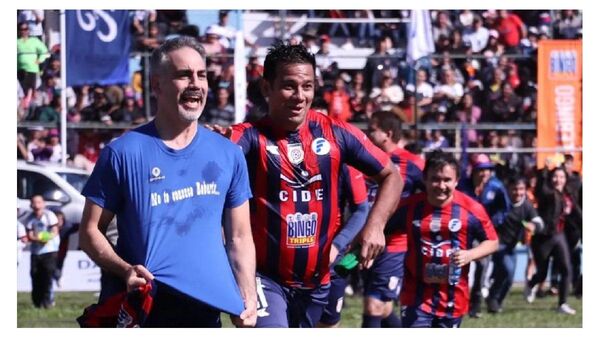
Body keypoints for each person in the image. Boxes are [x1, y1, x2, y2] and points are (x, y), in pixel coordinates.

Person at [217, 41, 402, 327]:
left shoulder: (335, 133)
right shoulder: (249, 137)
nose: (299, 96)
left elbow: (391, 175)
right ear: (267, 88)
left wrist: (375, 226)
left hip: (317, 282)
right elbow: (207, 162)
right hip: (264, 277)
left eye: (307, 86)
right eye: (289, 86)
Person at [78, 36, 257, 328]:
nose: (195, 84)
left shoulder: (228, 154)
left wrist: (246, 294)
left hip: (204, 311)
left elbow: (239, 238)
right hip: (143, 308)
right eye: (183, 75)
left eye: (201, 75)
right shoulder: (122, 152)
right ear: (157, 85)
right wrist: (124, 271)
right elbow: (89, 233)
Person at [393, 150, 498, 328]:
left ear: (456, 181)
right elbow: (380, 229)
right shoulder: (408, 207)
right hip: (415, 295)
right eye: (435, 179)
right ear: (425, 179)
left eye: (447, 180)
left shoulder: (472, 209)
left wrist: (470, 254)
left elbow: (492, 242)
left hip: (453, 298)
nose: (441, 185)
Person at [361, 110, 424, 328]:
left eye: (372, 129)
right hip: (366, 240)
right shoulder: (365, 158)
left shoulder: (412, 163)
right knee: (384, 307)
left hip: (395, 244)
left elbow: (429, 198)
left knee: (374, 305)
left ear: (387, 133)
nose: (367, 133)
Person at [458, 153, 510, 318]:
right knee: (458, 264)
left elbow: (505, 207)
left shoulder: (496, 186)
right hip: (463, 230)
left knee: (482, 265)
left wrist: (495, 220)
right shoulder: (462, 186)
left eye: (487, 170)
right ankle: (456, 301)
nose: (484, 173)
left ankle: (475, 303)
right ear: (472, 171)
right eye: (481, 170)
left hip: (484, 232)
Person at [524, 161, 580, 315]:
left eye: (561, 177)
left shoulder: (568, 195)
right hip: (543, 237)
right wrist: (544, 172)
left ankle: (562, 304)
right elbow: (540, 188)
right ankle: (531, 284)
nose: (558, 180)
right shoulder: (547, 192)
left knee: (566, 269)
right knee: (542, 272)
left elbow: (576, 213)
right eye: (555, 176)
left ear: (566, 178)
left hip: (559, 236)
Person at [317, 164, 369, 328]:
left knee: (328, 325)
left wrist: (337, 245)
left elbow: (361, 209)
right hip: (287, 264)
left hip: (332, 262)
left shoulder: (345, 161)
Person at [486, 176, 544, 313]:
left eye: (521, 189)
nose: (518, 193)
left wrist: (534, 226)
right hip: (496, 244)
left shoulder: (526, 205)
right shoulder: (500, 201)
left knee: (509, 277)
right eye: (514, 189)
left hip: (511, 246)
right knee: (507, 270)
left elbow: (539, 222)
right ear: (508, 189)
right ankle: (493, 299)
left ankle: (495, 302)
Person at [20, 195, 60, 308]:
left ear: (43, 204)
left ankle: (48, 302)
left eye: (39, 202)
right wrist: (37, 239)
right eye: (34, 203)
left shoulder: (49, 216)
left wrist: (46, 238)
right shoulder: (30, 218)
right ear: (31, 205)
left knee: (47, 276)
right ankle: (37, 303)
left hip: (49, 251)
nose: (36, 205)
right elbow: (30, 235)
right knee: (35, 275)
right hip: (36, 252)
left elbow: (55, 231)